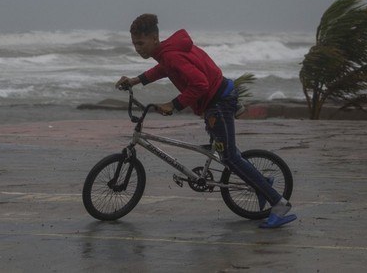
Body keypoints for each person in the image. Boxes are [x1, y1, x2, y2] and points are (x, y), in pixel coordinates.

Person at [116, 13, 297, 228]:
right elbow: (163, 69)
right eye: (134, 43)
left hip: (218, 102)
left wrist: (174, 104)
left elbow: (199, 84)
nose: (138, 48)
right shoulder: (167, 52)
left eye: (141, 42)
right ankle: (261, 182)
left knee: (229, 157)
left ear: (154, 39)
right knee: (228, 152)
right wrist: (136, 80)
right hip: (217, 97)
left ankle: (279, 203)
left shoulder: (171, 55)